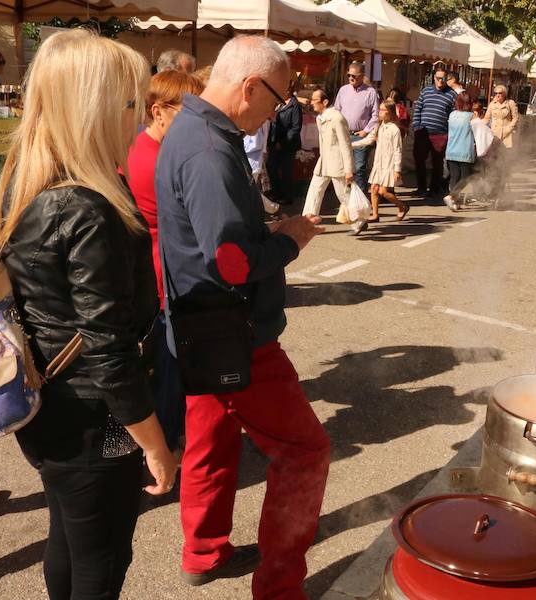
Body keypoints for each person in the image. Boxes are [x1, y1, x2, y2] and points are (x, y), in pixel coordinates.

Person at [0, 29, 177, 599]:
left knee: (70, 538)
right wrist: (153, 441)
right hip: (94, 421)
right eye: (130, 103)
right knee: (102, 558)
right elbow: (108, 347)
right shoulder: (86, 205)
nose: (138, 117)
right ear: (93, 109)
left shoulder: (30, 184)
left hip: (49, 407)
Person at [155, 35, 331, 598]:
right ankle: (279, 588)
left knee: (211, 440)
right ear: (250, 86)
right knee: (306, 452)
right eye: (277, 101)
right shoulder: (211, 149)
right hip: (235, 334)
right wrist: (293, 241)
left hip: (199, 328)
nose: (274, 114)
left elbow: (218, 239)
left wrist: (265, 233)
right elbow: (231, 263)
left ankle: (203, 550)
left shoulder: (192, 130)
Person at [126, 70, 205, 453]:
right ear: (159, 112)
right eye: (186, 110)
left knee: (165, 369)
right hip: (164, 279)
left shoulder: (144, 147)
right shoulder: (154, 159)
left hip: (157, 274)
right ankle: (166, 448)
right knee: (169, 373)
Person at [303, 87, 368, 236]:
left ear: (325, 102)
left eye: (314, 100)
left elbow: (345, 144)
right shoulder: (321, 117)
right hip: (324, 162)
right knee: (314, 191)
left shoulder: (337, 118)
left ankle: (359, 221)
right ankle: (307, 223)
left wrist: (348, 169)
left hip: (338, 164)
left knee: (343, 195)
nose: (312, 103)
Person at [353, 99, 408, 222]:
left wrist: (397, 169)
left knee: (383, 191)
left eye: (383, 110)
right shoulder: (378, 127)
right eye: (380, 109)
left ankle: (402, 206)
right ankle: (375, 214)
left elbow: (397, 150)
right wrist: (352, 145)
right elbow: (368, 140)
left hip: (389, 165)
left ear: (390, 113)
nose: (380, 112)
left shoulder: (394, 129)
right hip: (379, 163)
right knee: (373, 188)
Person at [334, 62, 379, 193]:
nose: (351, 78)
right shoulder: (343, 90)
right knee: (344, 168)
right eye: (349, 75)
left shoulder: (370, 92)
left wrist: (365, 131)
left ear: (361, 76)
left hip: (360, 137)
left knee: (359, 167)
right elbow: (337, 111)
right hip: (344, 135)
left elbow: (375, 115)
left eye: (353, 75)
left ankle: (361, 199)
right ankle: (347, 198)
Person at [412, 68, 458, 197]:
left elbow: (453, 114)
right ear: (434, 78)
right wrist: (416, 126)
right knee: (419, 159)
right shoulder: (426, 91)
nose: (440, 81)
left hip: (440, 134)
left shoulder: (452, 94)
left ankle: (434, 189)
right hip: (422, 132)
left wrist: (449, 132)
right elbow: (418, 110)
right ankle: (421, 188)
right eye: (438, 78)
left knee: (437, 163)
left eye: (443, 78)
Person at [267, 80, 303, 204]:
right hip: (273, 141)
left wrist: (282, 142)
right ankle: (276, 193)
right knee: (272, 167)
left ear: (289, 90)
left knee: (286, 170)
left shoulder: (295, 105)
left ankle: (287, 196)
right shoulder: (278, 103)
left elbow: (296, 128)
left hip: (287, 145)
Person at [444, 92, 476, 211]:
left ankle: (455, 201)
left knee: (454, 177)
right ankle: (451, 196)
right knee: (466, 178)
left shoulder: (452, 115)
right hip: (464, 151)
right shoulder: (471, 116)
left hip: (451, 150)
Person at [484, 84, 519, 149]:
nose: (498, 95)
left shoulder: (510, 103)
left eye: (500, 93)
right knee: (494, 154)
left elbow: (515, 118)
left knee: (506, 155)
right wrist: (479, 124)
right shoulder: (492, 104)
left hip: (507, 134)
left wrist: (509, 128)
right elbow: (486, 118)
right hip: (495, 134)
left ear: (504, 94)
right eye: (496, 93)